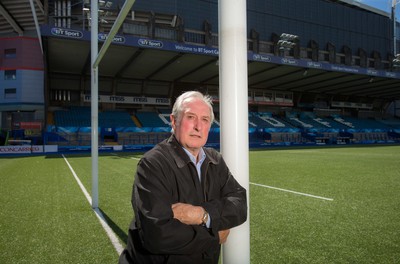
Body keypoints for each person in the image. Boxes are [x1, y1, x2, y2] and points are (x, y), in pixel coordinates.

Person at [119, 91, 247, 264]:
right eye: (190, 117)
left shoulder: (214, 159)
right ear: (173, 121)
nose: (198, 126)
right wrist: (213, 235)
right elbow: (158, 235)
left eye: (205, 119)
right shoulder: (152, 164)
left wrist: (202, 214)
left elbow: (240, 204)